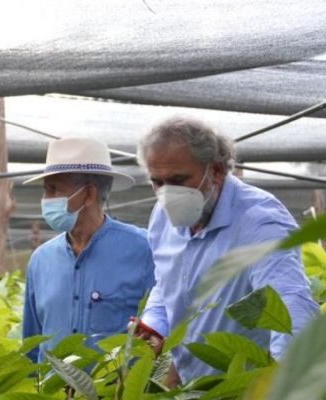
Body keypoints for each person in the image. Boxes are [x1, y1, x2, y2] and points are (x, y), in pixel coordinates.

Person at [137, 115, 319, 385]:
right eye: (158, 182)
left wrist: (284, 390)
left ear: (217, 170)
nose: (167, 194)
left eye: (178, 180)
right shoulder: (161, 218)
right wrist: (154, 324)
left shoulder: (259, 222)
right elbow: (166, 284)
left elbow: (290, 305)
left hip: (242, 393)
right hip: (188, 392)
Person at [22, 137, 155, 361]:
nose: (46, 199)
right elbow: (32, 345)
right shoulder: (40, 260)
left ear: (89, 194)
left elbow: (161, 333)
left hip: (115, 384)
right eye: (46, 190)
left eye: (54, 190)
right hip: (51, 385)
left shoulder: (144, 250)